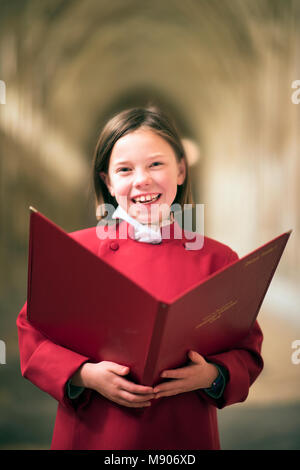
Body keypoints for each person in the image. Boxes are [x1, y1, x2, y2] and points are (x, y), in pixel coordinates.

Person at [16, 105, 264, 450]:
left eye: (156, 164)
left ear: (180, 170)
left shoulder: (219, 259)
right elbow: (32, 333)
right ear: (108, 181)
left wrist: (212, 374)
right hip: (94, 432)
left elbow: (247, 350)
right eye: (124, 169)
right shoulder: (74, 252)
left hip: (184, 433)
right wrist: (84, 374)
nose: (142, 180)